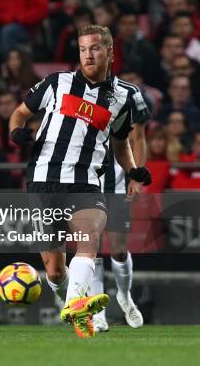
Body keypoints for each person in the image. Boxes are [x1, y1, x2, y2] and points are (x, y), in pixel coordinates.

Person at [9, 24, 152, 338]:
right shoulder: (57, 83)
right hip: (43, 179)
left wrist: (132, 170)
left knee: (90, 238)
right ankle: (68, 297)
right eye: (83, 49)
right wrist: (16, 131)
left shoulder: (125, 96)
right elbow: (19, 113)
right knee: (55, 270)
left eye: (95, 48)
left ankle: (77, 302)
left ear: (110, 52)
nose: (88, 55)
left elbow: (119, 141)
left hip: (86, 180)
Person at [90, 71, 151, 333]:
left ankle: (124, 296)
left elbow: (137, 138)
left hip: (114, 181)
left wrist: (134, 175)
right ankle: (98, 311)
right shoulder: (73, 88)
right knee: (89, 247)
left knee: (117, 248)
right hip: (84, 179)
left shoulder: (129, 92)